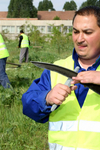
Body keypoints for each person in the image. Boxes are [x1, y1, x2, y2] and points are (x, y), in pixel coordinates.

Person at [22, 6, 100, 149]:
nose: (79, 38)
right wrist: (46, 98)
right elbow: (27, 104)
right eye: (75, 32)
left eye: (87, 32)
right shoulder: (56, 69)